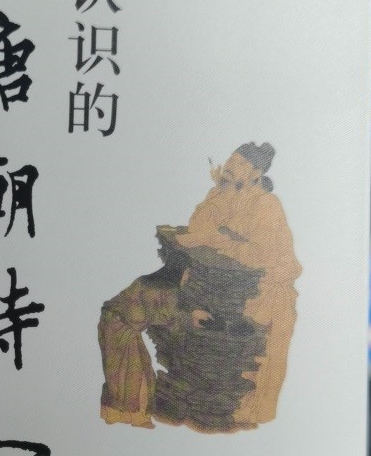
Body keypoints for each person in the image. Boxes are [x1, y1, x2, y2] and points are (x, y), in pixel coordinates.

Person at [99, 142, 300, 432]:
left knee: (126, 311)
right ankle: (132, 403)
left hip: (257, 296)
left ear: (256, 173)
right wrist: (221, 192)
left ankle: (134, 404)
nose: (229, 166)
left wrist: (217, 239)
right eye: (229, 161)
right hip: (212, 284)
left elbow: (261, 256)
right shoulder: (224, 193)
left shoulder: (266, 205)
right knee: (122, 309)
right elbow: (197, 227)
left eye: (238, 164)